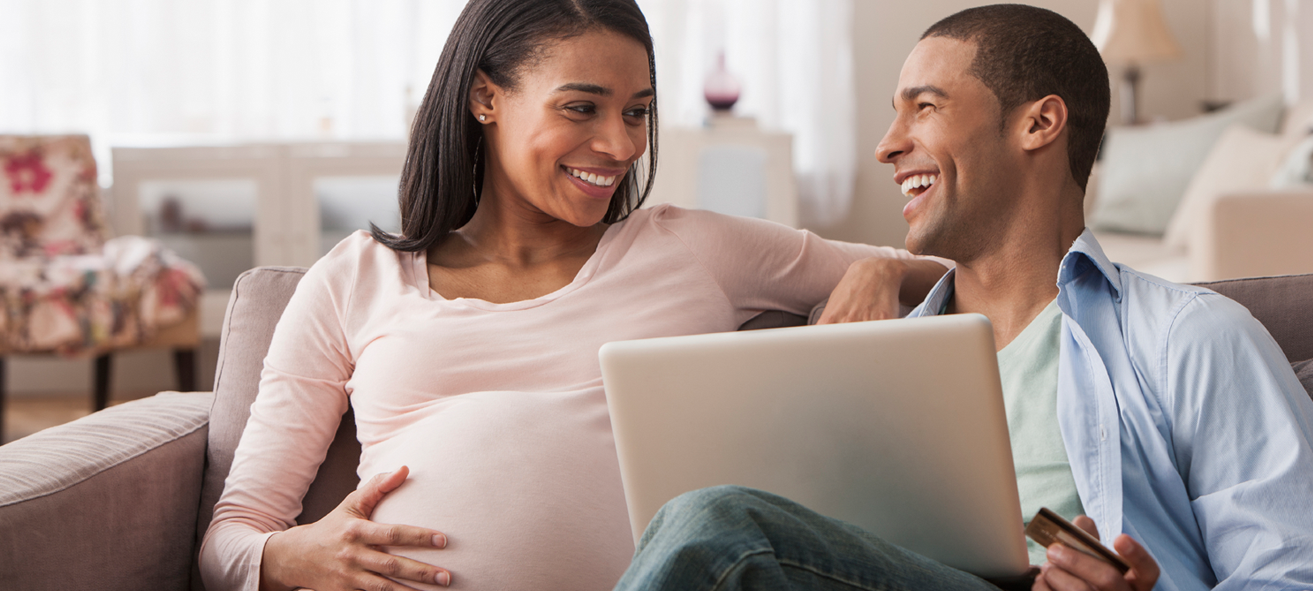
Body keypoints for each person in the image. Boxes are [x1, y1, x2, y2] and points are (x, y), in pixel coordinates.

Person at [197, 1, 950, 590]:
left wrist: (880, 270)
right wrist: (297, 557)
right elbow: (231, 535)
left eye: (637, 111)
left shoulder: (691, 247)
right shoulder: (355, 278)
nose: (622, 146)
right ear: (485, 99)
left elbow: (952, 268)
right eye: (581, 108)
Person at [613, 5, 1313, 591]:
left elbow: (1291, 568)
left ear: (1038, 124)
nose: (887, 146)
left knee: (713, 523)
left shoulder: (1191, 338)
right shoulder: (876, 361)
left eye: (923, 107)